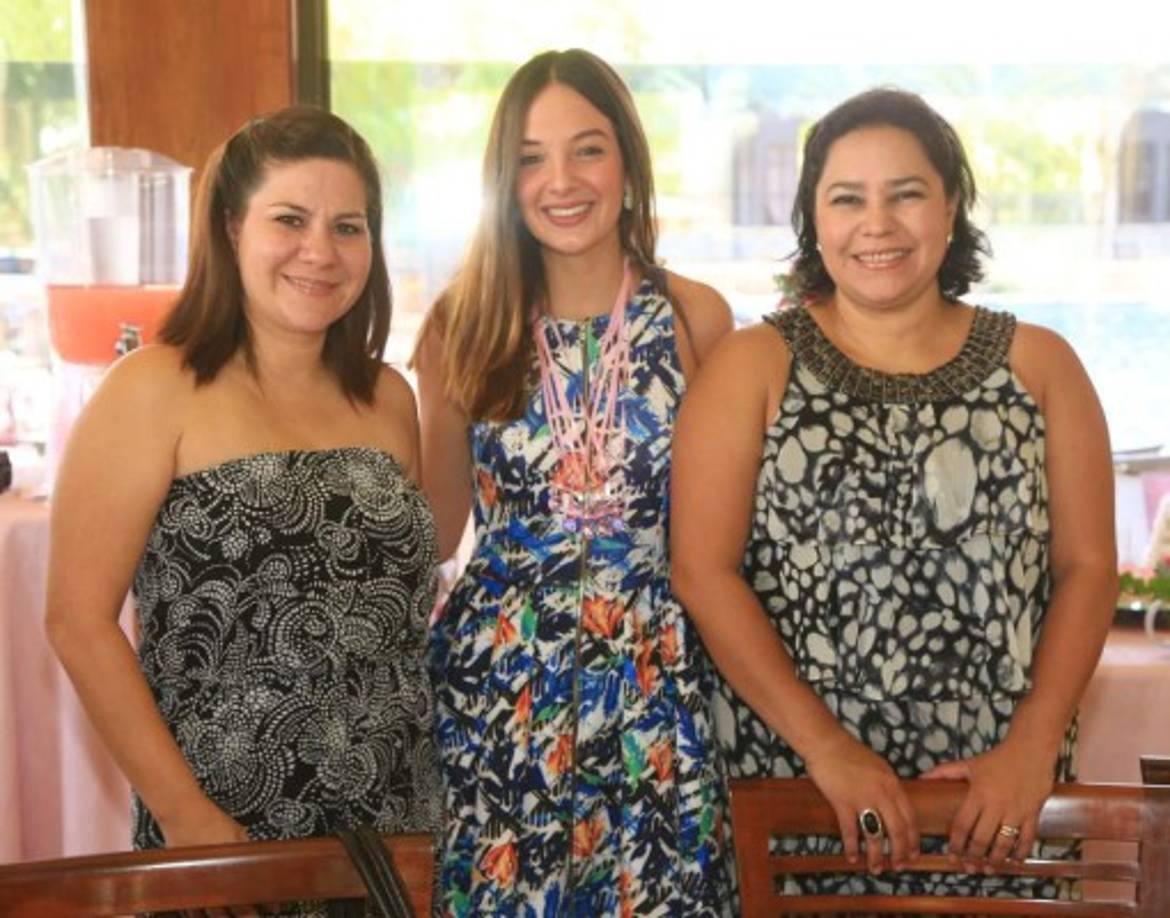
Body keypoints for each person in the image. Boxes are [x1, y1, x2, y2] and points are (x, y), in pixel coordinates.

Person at [671, 87, 1117, 897]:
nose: (877, 224)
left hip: (1000, 803)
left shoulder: (1042, 365)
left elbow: (1086, 570)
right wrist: (828, 750)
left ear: (951, 209)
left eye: (906, 194)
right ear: (813, 219)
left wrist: (1031, 747)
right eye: (847, 199)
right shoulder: (751, 366)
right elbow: (703, 572)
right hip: (807, 798)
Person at [46, 107, 442, 857]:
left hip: (398, 818)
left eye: (348, 227)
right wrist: (187, 817)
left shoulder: (389, 397)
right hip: (223, 826)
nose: (319, 251)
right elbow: (77, 621)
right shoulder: (151, 388)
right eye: (289, 219)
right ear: (232, 229)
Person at [415, 48, 735, 916]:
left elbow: (726, 535)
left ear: (627, 163)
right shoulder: (461, 324)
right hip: (500, 684)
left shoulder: (695, 317)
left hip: (656, 677)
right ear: (503, 179)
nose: (560, 180)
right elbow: (434, 531)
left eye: (587, 149)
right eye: (530, 158)